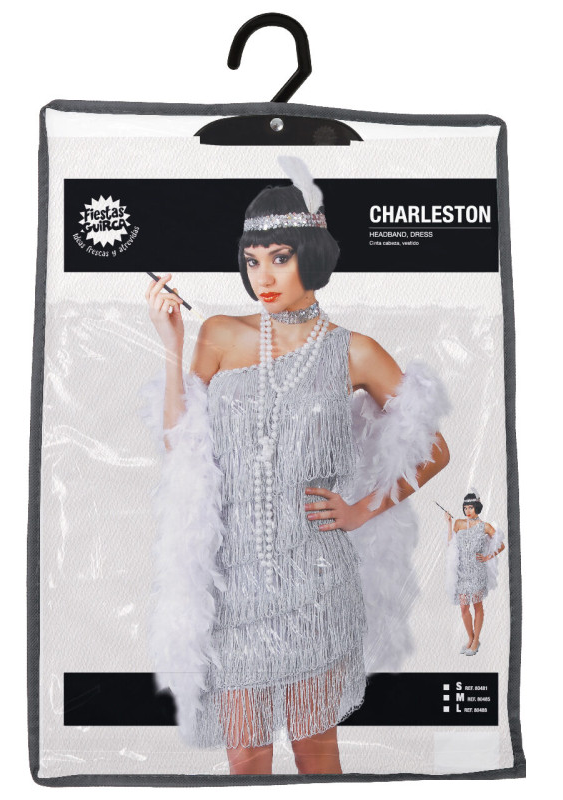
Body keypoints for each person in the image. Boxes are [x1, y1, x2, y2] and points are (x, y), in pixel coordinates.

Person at [139, 157, 450, 775]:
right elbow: (181, 445)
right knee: (246, 757)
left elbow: (432, 448)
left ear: (311, 255)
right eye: (252, 260)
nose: (264, 277)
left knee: (315, 753)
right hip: (233, 584)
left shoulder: (354, 350)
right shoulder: (220, 334)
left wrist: (361, 510)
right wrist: (171, 343)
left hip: (315, 582)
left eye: (279, 257)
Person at [445, 492, 505, 656]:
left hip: (477, 571)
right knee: (464, 607)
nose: (467, 511)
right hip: (462, 572)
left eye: (470, 507)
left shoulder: (485, 526)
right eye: (465, 508)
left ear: (477, 507)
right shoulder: (459, 523)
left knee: (477, 605)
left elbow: (501, 545)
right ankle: (471, 639)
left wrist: (488, 557)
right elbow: (450, 545)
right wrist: (449, 524)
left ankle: (476, 639)